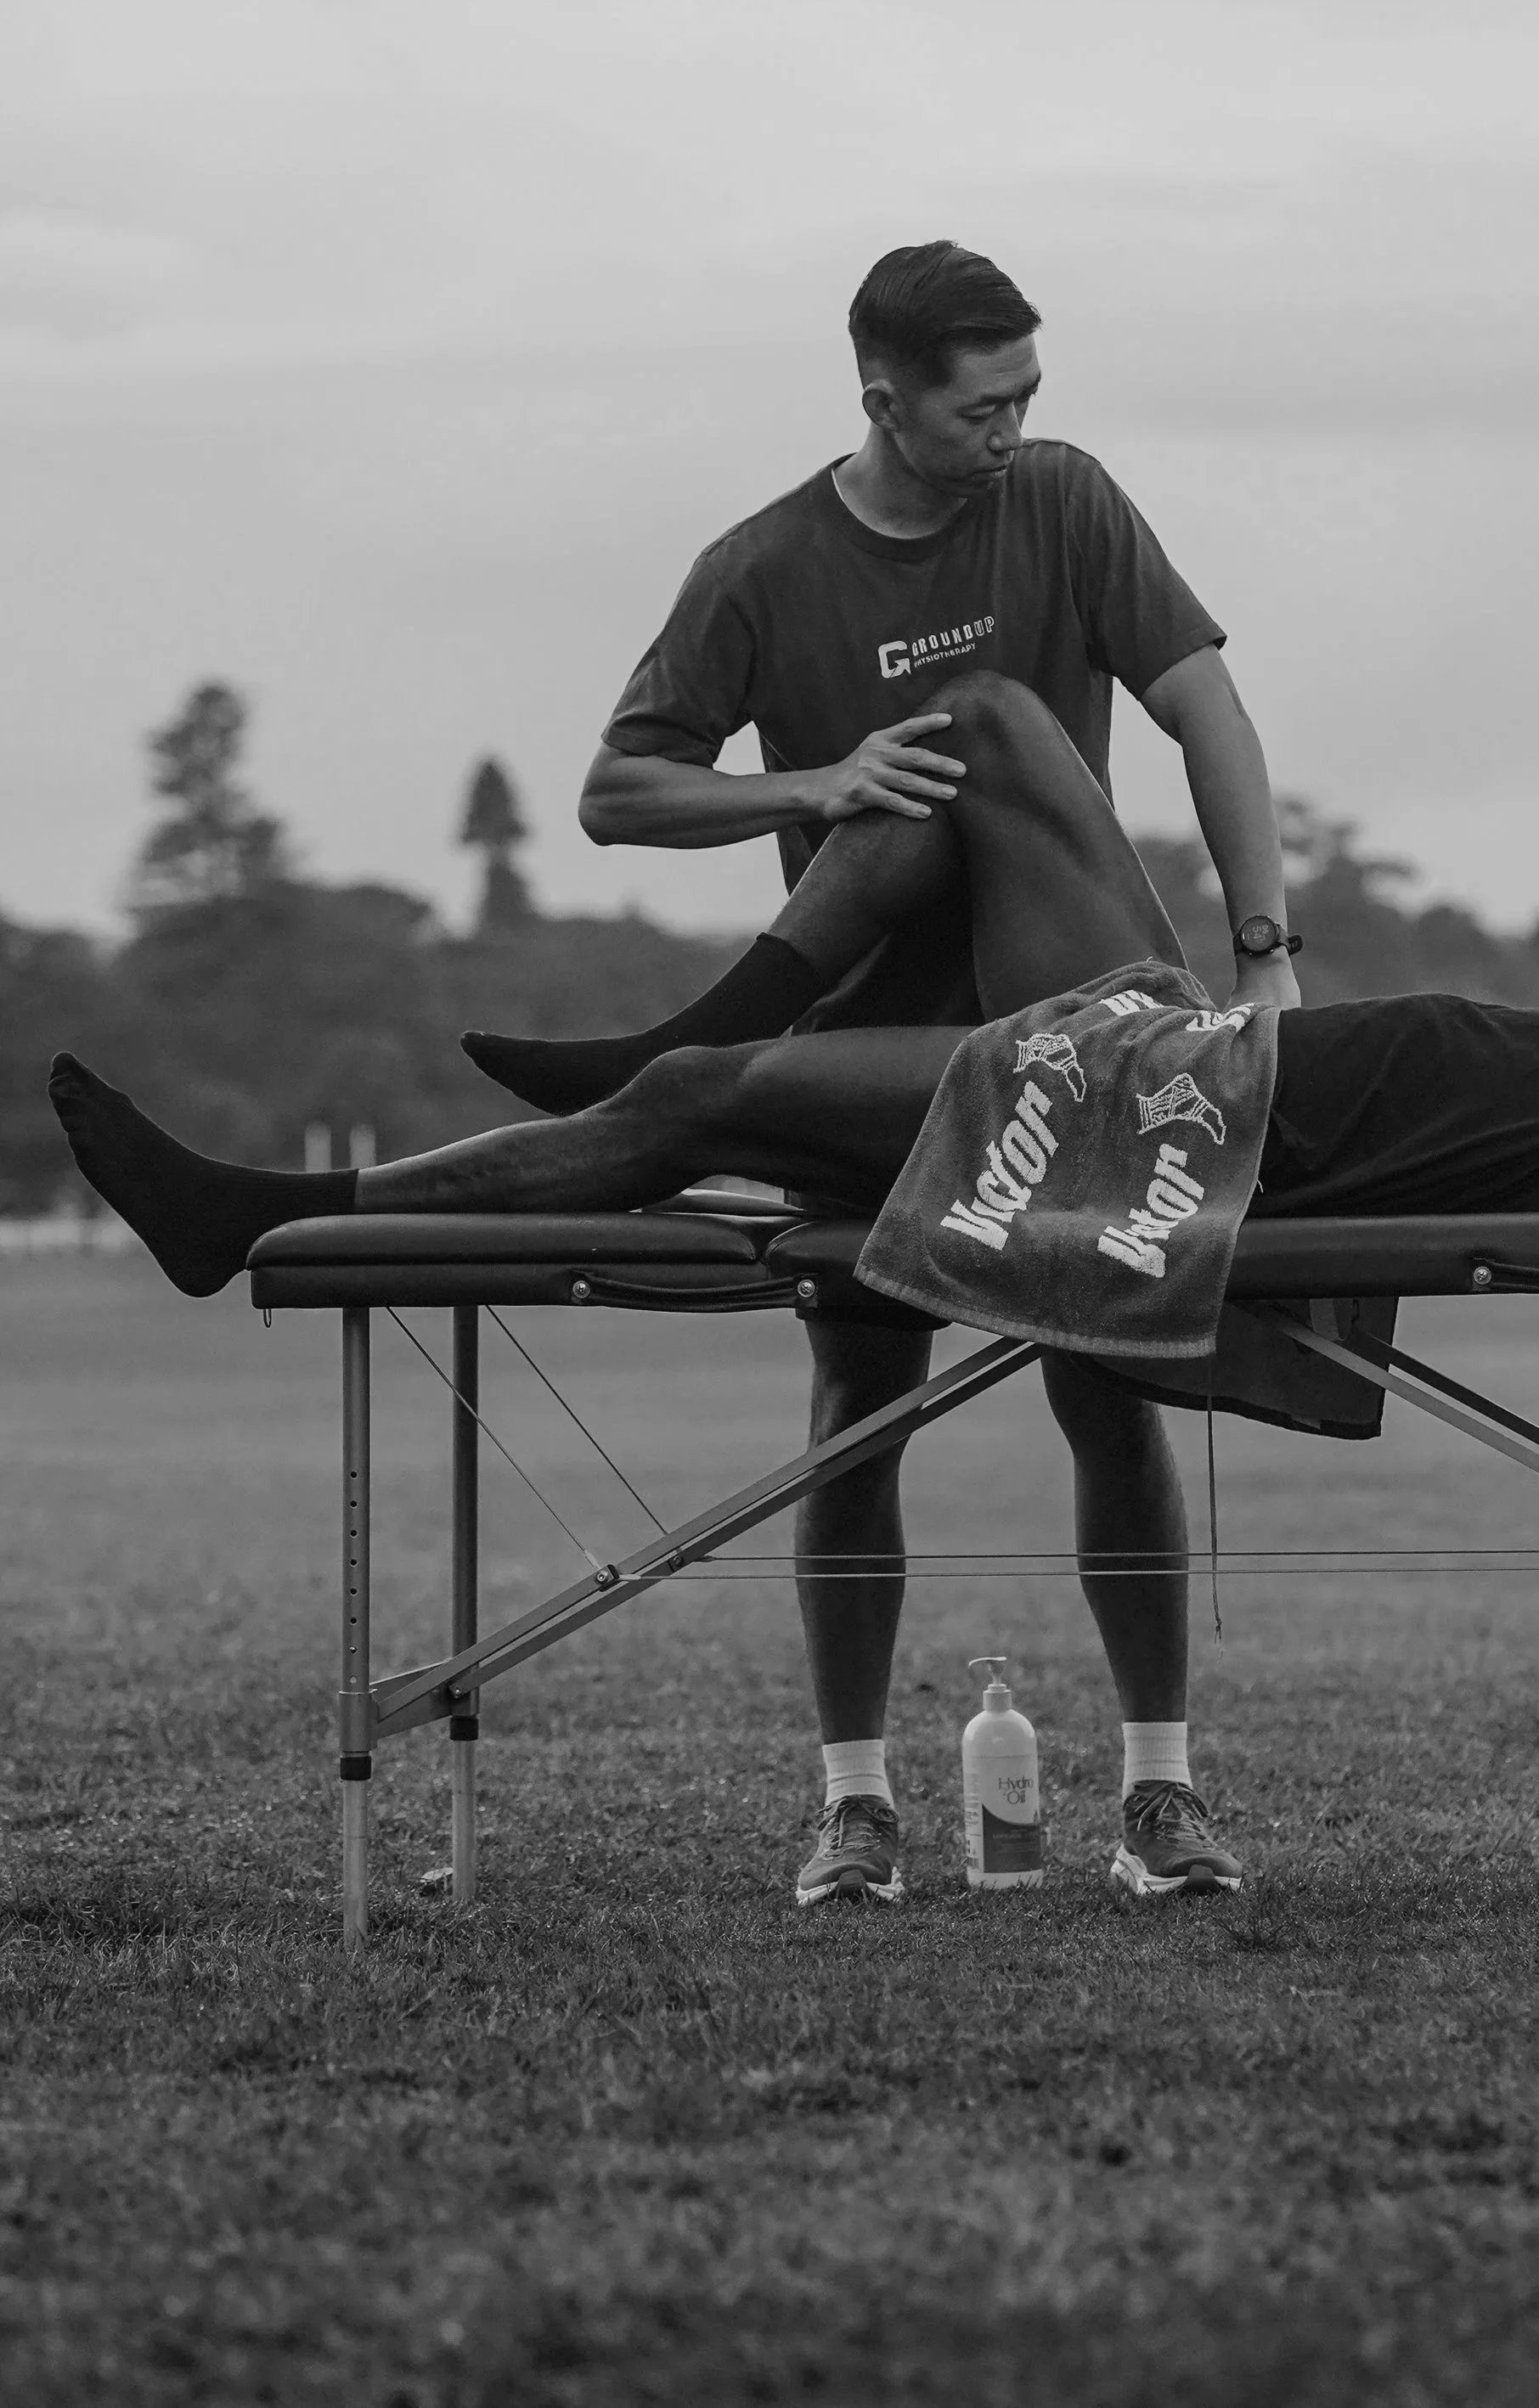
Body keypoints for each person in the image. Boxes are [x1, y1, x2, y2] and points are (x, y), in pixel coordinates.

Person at [54, 669, 1539, 1466]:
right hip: (1185, 1051)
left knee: (706, 1113)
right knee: (1005, 729)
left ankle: (256, 1224)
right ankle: (690, 1033)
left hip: (1169, 1128)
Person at [458, 245, 1300, 1907]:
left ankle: (1158, 1797)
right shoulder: (761, 568)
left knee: (1108, 1402)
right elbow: (618, 791)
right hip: (854, 1064)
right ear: (882, 401)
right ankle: (854, 1809)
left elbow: (1208, 711)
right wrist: (817, 785)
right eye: (980, 407)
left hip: (1068, 1049)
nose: (1011, 431)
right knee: (856, 1412)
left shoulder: (1062, 504)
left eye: (1027, 399)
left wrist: (1265, 947)